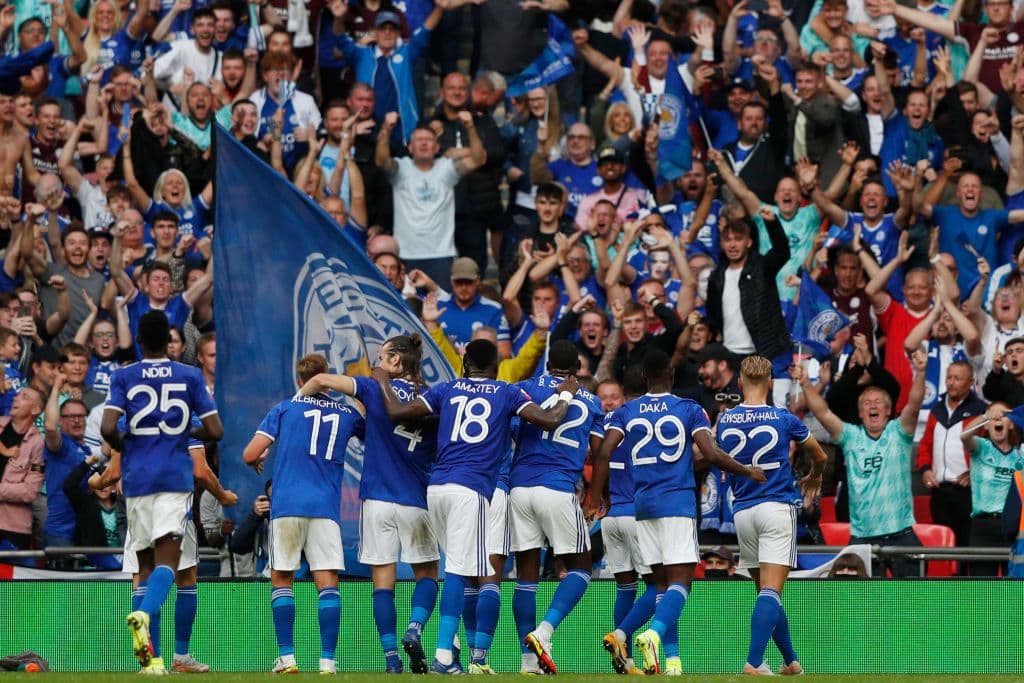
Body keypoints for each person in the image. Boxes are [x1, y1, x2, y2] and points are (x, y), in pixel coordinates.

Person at [371, 338, 578, 674]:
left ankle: (445, 649)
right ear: (496, 366)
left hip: (436, 487)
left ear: (465, 363)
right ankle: (445, 656)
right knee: (460, 570)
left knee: (457, 566)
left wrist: (382, 380)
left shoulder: (447, 389)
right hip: (473, 490)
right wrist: (567, 392)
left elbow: (397, 412)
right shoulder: (506, 392)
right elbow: (550, 419)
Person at [589, 349, 766, 675]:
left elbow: (602, 455)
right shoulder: (688, 408)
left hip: (642, 506)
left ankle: (624, 635)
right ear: (671, 375)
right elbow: (711, 453)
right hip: (677, 504)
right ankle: (654, 635)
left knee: (658, 585)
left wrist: (592, 499)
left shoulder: (627, 412)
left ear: (643, 379)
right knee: (682, 583)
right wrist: (747, 470)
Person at [101, 311, 236, 675]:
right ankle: (143, 617)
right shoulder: (189, 375)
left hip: (138, 480)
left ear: (140, 341)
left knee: (144, 569)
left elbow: (107, 427)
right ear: (170, 342)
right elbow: (216, 430)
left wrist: (128, 443)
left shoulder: (123, 375)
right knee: (169, 563)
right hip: (173, 480)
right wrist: (181, 435)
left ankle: (152, 662)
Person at [296, 336, 440, 674]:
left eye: (381, 357)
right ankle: (415, 628)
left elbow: (319, 380)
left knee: (382, 582)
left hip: (376, 500)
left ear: (396, 361)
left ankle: (391, 659)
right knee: (428, 574)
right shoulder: (433, 398)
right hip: (416, 499)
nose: (376, 363)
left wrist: (296, 402)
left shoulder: (373, 387)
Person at [242, 353, 365, 675]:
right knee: (328, 584)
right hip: (325, 507)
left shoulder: (285, 408)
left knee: (283, 579)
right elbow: (372, 434)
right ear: (327, 379)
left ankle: (288, 659)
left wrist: (261, 454)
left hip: (287, 505)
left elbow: (249, 454)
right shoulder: (348, 414)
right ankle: (327, 662)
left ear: (300, 381)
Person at [716, 355, 826, 675]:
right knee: (771, 592)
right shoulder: (783, 417)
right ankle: (753, 662)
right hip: (776, 508)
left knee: (767, 592)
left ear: (739, 383)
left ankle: (791, 662)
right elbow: (818, 454)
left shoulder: (725, 420)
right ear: (771, 383)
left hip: (742, 512)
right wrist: (816, 477)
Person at [510, 341, 606, 675]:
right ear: (578, 368)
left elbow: (510, 431)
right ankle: (545, 631)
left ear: (548, 363)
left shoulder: (524, 389)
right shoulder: (592, 401)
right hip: (558, 487)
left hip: (519, 487)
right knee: (581, 567)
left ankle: (527, 662)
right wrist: (594, 498)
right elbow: (600, 453)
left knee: (526, 575)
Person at [794, 347, 928, 577]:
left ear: (888, 411)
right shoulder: (850, 436)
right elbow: (823, 412)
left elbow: (914, 404)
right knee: (865, 606)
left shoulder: (899, 433)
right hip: (863, 535)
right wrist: (805, 383)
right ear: (860, 411)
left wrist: (921, 372)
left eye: (878, 402)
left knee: (911, 602)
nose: (873, 405)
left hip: (901, 532)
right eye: (867, 402)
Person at [375, 111, 486, 285]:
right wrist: (386, 130)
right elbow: (381, 161)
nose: (424, 143)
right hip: (406, 254)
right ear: (410, 147)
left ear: (436, 147)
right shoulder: (401, 168)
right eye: (419, 140)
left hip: (441, 254)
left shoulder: (446, 169)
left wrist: (471, 128)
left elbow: (478, 160)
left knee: (440, 306)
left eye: (429, 140)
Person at [597, 365, 652, 676]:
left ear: (622, 395)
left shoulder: (607, 424)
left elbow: (598, 458)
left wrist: (601, 499)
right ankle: (622, 637)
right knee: (660, 587)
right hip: (635, 514)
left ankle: (626, 660)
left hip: (611, 515)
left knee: (625, 588)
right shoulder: (644, 421)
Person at [960, 403, 1024, 576]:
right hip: (983, 527)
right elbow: (964, 435)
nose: (997, 419)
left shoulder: (1021, 455)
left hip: (1011, 527)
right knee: (983, 590)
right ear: (987, 426)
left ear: (1011, 424)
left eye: (1002, 416)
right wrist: (986, 416)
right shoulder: (981, 447)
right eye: (993, 417)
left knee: (1013, 585)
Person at [0, 388, 45, 550]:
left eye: (23, 397)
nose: (15, 398)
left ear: (35, 409)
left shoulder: (38, 444)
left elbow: (30, 491)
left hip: (13, 527)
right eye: (17, 394)